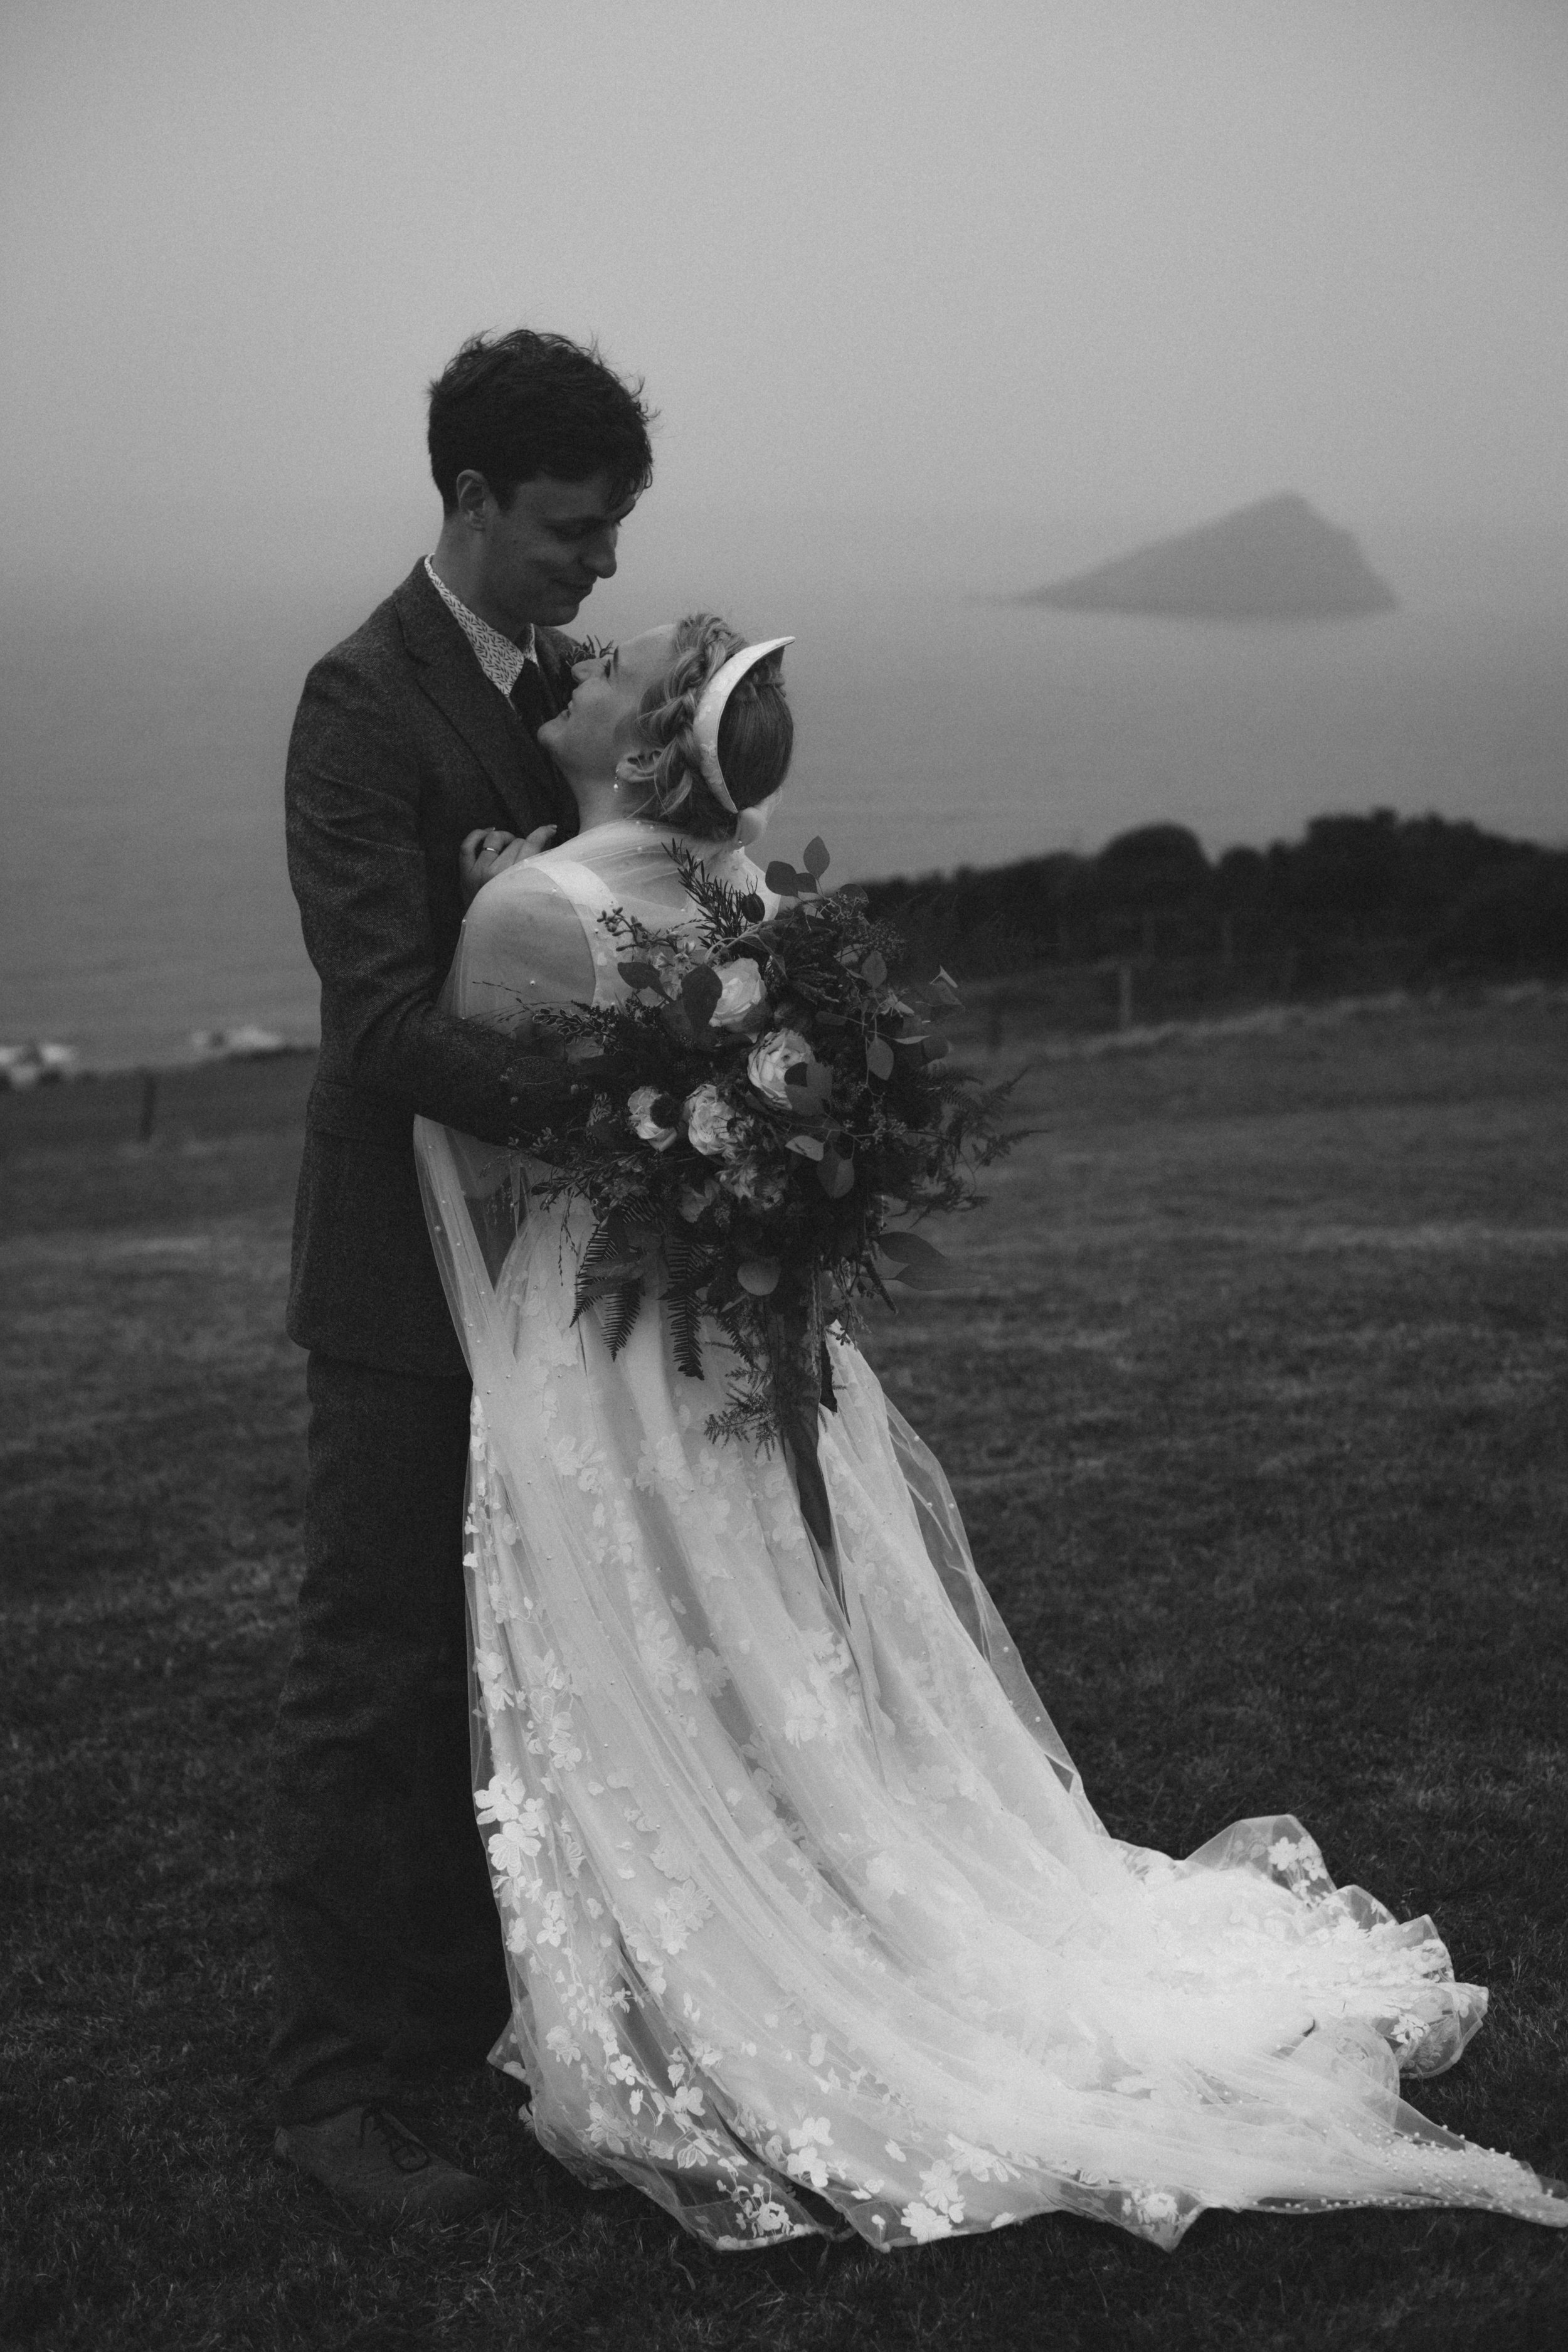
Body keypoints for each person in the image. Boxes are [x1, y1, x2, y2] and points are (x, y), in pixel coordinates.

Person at [414, 617, 1565, 2252]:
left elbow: (473, 1158)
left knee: (669, 1647)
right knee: (761, 1639)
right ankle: (809, 1899)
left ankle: (736, 1951)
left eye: (601, 666)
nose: (574, 660)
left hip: (606, 1335)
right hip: (749, 1321)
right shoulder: (748, 898)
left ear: (626, 739)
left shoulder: (530, 909)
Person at [268, 329, 653, 2219]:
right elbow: (381, 1024)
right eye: (571, 532)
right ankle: (344, 2092)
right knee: (381, 1662)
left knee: (531, 1656)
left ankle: (487, 2025)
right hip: (400, 1276)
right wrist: (634, 1103)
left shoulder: (561, 688)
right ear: (473, 498)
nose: (597, 570)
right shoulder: (359, 701)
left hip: (555, 1275)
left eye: (612, 538)